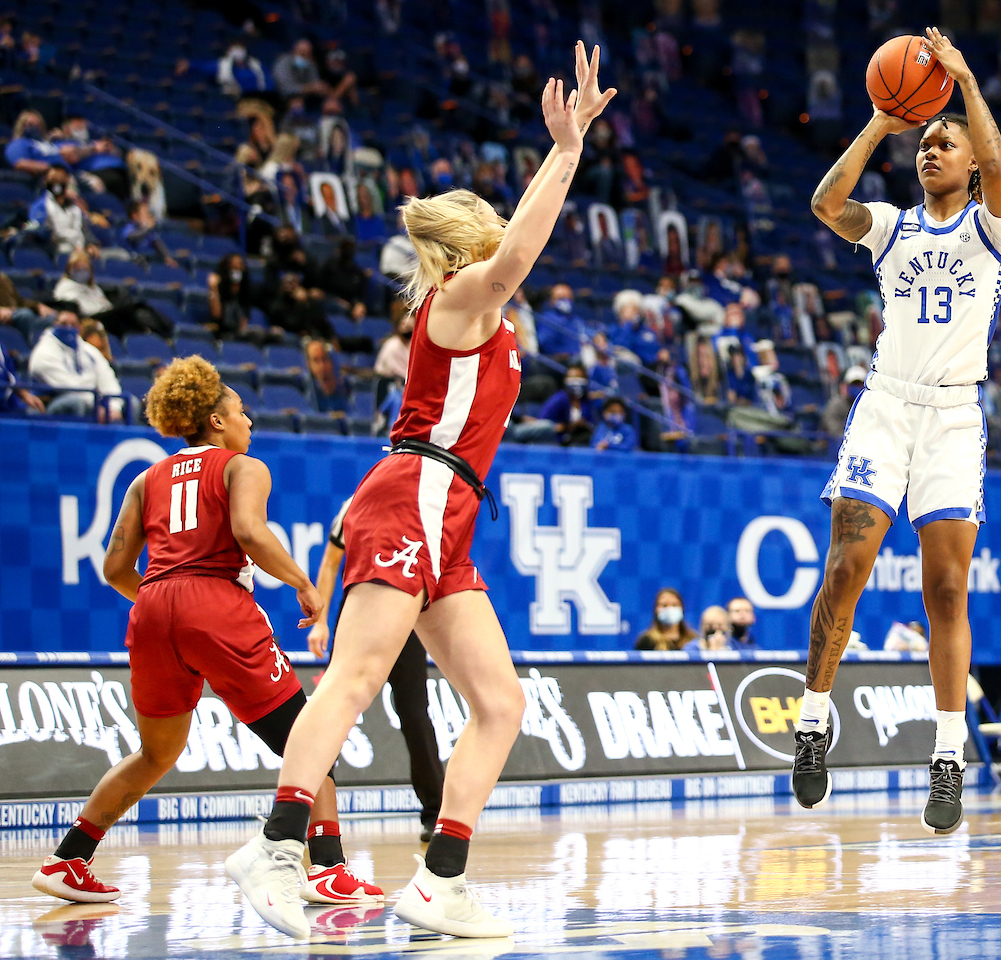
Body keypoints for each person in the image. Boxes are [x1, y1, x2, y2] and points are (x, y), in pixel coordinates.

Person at [224, 41, 615, 941]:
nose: (506, 234)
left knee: (500, 703)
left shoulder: (479, 305)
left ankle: (440, 880)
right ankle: (276, 846)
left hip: (449, 515)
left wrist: (561, 155)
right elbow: (518, 254)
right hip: (414, 494)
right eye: (495, 226)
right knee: (357, 677)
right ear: (473, 238)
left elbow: (515, 253)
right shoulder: (461, 298)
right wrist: (566, 150)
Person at [31, 357, 380, 906]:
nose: (249, 422)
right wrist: (303, 583)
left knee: (154, 754)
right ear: (216, 421)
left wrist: (166, 604)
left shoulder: (145, 479)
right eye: (241, 411)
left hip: (151, 606)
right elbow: (249, 531)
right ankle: (328, 869)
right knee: (311, 736)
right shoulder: (243, 467)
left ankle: (68, 858)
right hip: (216, 602)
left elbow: (115, 569)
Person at [796, 28, 1001, 836]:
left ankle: (947, 753)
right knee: (846, 567)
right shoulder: (892, 226)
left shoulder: (995, 225)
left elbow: (997, 162)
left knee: (948, 590)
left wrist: (965, 82)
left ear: (970, 165)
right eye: (924, 142)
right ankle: (813, 721)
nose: (931, 150)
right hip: (887, 406)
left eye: (943, 142)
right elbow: (826, 205)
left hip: (955, 415)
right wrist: (880, 122)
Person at [307, 497, 445, 843]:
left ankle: (437, 815)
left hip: (404, 616)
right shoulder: (356, 503)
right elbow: (330, 563)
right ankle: (307, 814)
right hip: (360, 615)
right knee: (332, 713)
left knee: (414, 715)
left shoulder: (420, 503)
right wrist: (320, 621)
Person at [27, 312, 124, 419]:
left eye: (73, 324)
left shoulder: (89, 351)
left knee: (131, 404)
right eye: (64, 324)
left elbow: (107, 378)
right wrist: (98, 406)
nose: (69, 328)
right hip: (51, 403)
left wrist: (113, 407)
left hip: (92, 400)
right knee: (75, 402)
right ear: (55, 325)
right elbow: (67, 387)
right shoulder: (44, 352)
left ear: (79, 327)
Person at [822, 365, 867, 439]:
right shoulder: (836, 405)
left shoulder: (869, 405)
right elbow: (834, 430)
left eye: (859, 385)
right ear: (846, 386)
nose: (857, 388)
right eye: (854, 384)